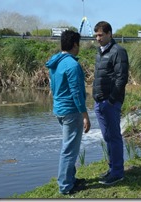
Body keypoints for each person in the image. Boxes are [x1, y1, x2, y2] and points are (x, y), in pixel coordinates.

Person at [45, 30, 91, 194]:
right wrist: (85, 115)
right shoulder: (72, 65)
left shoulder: (55, 62)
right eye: (79, 44)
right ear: (74, 45)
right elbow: (77, 93)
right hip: (71, 111)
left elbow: (53, 87)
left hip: (59, 109)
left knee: (68, 146)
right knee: (69, 149)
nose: (79, 47)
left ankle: (70, 179)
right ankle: (66, 186)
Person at [92, 21, 129, 185]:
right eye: (96, 35)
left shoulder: (118, 51)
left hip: (110, 102)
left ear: (109, 34)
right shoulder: (99, 52)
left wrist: (111, 100)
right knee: (107, 137)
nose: (98, 38)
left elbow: (122, 78)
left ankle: (117, 173)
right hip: (99, 102)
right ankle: (112, 167)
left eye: (100, 35)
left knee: (114, 137)